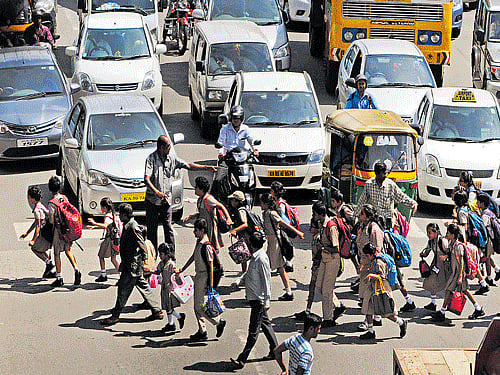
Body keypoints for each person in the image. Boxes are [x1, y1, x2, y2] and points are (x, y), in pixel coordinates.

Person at [144, 135, 216, 251]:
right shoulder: (151, 159)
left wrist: (206, 168)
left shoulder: (172, 158)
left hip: (165, 200)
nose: (170, 149)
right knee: (152, 230)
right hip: (152, 201)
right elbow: (146, 179)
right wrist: (157, 192)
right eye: (168, 147)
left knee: (168, 229)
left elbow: (188, 165)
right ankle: (153, 256)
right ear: (161, 148)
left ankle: (171, 256)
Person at [101, 204, 163, 326]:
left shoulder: (133, 227)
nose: (119, 216)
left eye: (121, 214)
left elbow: (142, 245)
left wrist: (145, 262)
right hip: (131, 265)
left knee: (122, 290)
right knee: (144, 287)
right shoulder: (128, 225)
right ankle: (156, 310)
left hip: (132, 266)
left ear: (125, 215)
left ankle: (115, 316)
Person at [230, 231, 278, 369]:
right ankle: (275, 350)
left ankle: (242, 358)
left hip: (258, 300)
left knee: (253, 331)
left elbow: (266, 280)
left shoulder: (261, 259)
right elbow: (249, 273)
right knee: (266, 325)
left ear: (251, 244)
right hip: (254, 299)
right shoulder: (255, 257)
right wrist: (239, 281)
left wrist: (267, 301)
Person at [175, 218, 226, 341]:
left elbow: (211, 267)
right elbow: (193, 256)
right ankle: (202, 330)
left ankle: (218, 322)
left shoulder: (206, 245)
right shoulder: (199, 243)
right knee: (196, 305)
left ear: (202, 230)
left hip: (204, 277)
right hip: (198, 276)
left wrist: (211, 285)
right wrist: (183, 268)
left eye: (196, 230)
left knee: (199, 306)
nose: (194, 232)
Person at [431, 224, 485, 322]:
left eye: (448, 233)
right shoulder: (452, 244)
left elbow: (461, 262)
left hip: (458, 273)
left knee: (450, 290)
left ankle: (442, 312)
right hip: (455, 272)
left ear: (452, 234)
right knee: (462, 290)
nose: (446, 234)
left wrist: (460, 276)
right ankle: (478, 309)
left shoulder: (458, 246)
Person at [260, 193, 304, 301]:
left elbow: (284, 223)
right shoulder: (266, 213)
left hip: (275, 242)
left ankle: (263, 293)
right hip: (271, 242)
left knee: (271, 267)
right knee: (278, 267)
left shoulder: (272, 213)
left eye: (261, 203)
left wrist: (298, 232)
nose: (260, 204)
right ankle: (287, 291)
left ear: (266, 204)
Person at [360, 243, 408, 340]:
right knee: (368, 308)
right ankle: (370, 331)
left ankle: (401, 322)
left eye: (366, 256)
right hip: (373, 287)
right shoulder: (376, 259)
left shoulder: (379, 263)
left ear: (370, 255)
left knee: (386, 311)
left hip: (381, 288)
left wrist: (370, 276)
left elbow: (382, 277)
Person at [310, 201, 346, 327]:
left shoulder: (331, 227)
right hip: (325, 258)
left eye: (314, 213)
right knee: (319, 285)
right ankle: (338, 305)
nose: (313, 216)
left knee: (326, 290)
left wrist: (324, 247)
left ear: (320, 214)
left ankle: (328, 319)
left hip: (332, 259)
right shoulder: (322, 225)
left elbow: (336, 248)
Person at [353, 161, 418, 230]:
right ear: (377, 174)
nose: (385, 175)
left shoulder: (390, 185)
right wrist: (355, 215)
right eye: (383, 173)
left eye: (386, 173)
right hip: (374, 220)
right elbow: (362, 200)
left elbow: (401, 197)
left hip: (387, 220)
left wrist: (413, 203)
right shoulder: (369, 184)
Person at [452, 190, 490, 295]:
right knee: (472, 262)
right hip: (472, 241)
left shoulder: (461, 212)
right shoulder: (466, 208)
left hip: (468, 241)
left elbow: (464, 227)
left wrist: (464, 243)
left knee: (468, 262)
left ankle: (461, 284)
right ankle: (483, 284)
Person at [182, 176, 232, 251]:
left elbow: (221, 206)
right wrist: (191, 217)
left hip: (210, 229)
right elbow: (202, 214)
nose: (195, 189)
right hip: (203, 229)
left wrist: (228, 218)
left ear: (201, 189)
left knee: (211, 249)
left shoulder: (208, 199)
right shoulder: (200, 199)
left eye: (196, 187)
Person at [47, 176, 81, 287]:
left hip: (59, 231)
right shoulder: (65, 198)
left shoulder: (52, 203)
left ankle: (59, 277)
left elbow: (51, 221)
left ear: (50, 188)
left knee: (57, 254)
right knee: (68, 250)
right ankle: (76, 269)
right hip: (69, 229)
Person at [355, 204, 384, 330]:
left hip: (370, 267)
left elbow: (377, 250)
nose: (359, 216)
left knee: (367, 296)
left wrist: (370, 265)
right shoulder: (363, 227)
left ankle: (367, 322)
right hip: (364, 264)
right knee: (369, 294)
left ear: (367, 216)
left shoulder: (374, 229)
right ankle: (376, 317)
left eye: (362, 214)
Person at [19, 185, 56, 279]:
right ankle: (51, 267)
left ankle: (49, 264)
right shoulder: (40, 205)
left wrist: (33, 240)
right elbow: (36, 223)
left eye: (29, 197)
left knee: (34, 248)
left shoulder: (36, 210)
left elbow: (38, 226)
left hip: (44, 234)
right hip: (49, 232)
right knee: (42, 250)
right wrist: (27, 233)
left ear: (32, 198)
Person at [293, 218, 322, 321]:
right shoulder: (315, 237)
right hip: (316, 266)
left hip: (318, 267)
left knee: (318, 288)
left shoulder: (318, 238)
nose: (310, 229)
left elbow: (320, 252)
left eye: (312, 227)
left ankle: (337, 305)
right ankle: (307, 310)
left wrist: (316, 264)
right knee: (314, 288)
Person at [88, 198, 121, 282]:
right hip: (116, 239)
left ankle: (103, 274)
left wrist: (94, 223)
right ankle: (121, 276)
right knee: (113, 259)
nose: (101, 209)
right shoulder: (113, 214)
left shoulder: (107, 216)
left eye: (101, 207)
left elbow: (106, 225)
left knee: (101, 255)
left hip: (109, 240)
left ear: (105, 207)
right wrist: (95, 227)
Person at [155, 243, 186, 332]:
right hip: (164, 287)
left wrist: (177, 273)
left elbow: (176, 275)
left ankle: (179, 317)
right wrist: (150, 271)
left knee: (168, 307)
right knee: (166, 306)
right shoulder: (161, 263)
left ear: (166, 254)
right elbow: (158, 271)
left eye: (161, 254)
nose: (160, 256)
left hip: (170, 288)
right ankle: (171, 323)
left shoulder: (171, 264)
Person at [419, 223, 450, 311]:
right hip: (436, 264)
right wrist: (423, 254)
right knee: (431, 281)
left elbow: (450, 253)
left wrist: (445, 257)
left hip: (445, 266)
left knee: (448, 285)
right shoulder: (431, 241)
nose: (428, 235)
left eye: (430, 232)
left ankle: (447, 305)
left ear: (436, 232)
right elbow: (427, 251)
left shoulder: (442, 241)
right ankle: (433, 303)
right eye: (427, 232)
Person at [270, 181, 294, 273]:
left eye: (271, 190)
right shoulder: (275, 201)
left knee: (284, 245)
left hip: (282, 228)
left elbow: (282, 217)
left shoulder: (281, 204)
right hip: (279, 228)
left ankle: (287, 264)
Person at [477, 193, 500, 286]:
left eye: (478, 202)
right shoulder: (489, 212)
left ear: (482, 203)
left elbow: (484, 227)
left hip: (488, 239)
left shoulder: (485, 215)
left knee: (486, 258)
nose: (477, 204)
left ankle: (489, 278)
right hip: (492, 238)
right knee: (488, 256)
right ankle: (497, 270)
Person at [228, 190, 252, 273]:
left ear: (237, 201)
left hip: (247, 236)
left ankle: (248, 273)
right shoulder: (237, 210)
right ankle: (244, 273)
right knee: (243, 254)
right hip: (243, 236)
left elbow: (245, 224)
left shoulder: (241, 211)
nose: (231, 201)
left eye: (232, 200)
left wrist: (235, 230)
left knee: (248, 254)